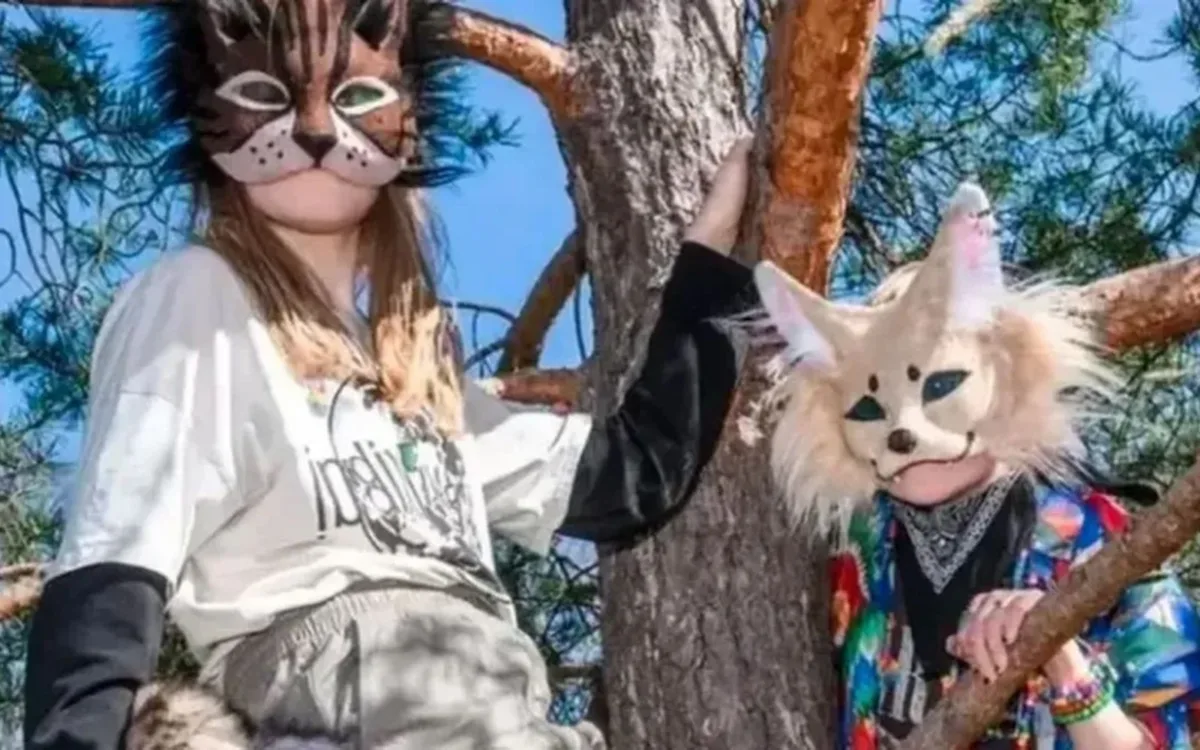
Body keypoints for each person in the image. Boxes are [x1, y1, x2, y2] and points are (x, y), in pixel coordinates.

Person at [21, 0, 759, 747]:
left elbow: (635, 474)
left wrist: (713, 265)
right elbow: (114, 549)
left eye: (359, 97)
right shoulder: (196, 297)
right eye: (264, 95)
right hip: (333, 701)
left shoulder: (424, 392)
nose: (313, 130)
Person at [752, 181, 1200, 749]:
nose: (904, 429)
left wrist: (1060, 654)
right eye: (871, 406)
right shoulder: (855, 562)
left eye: (940, 385)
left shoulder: (1099, 537)